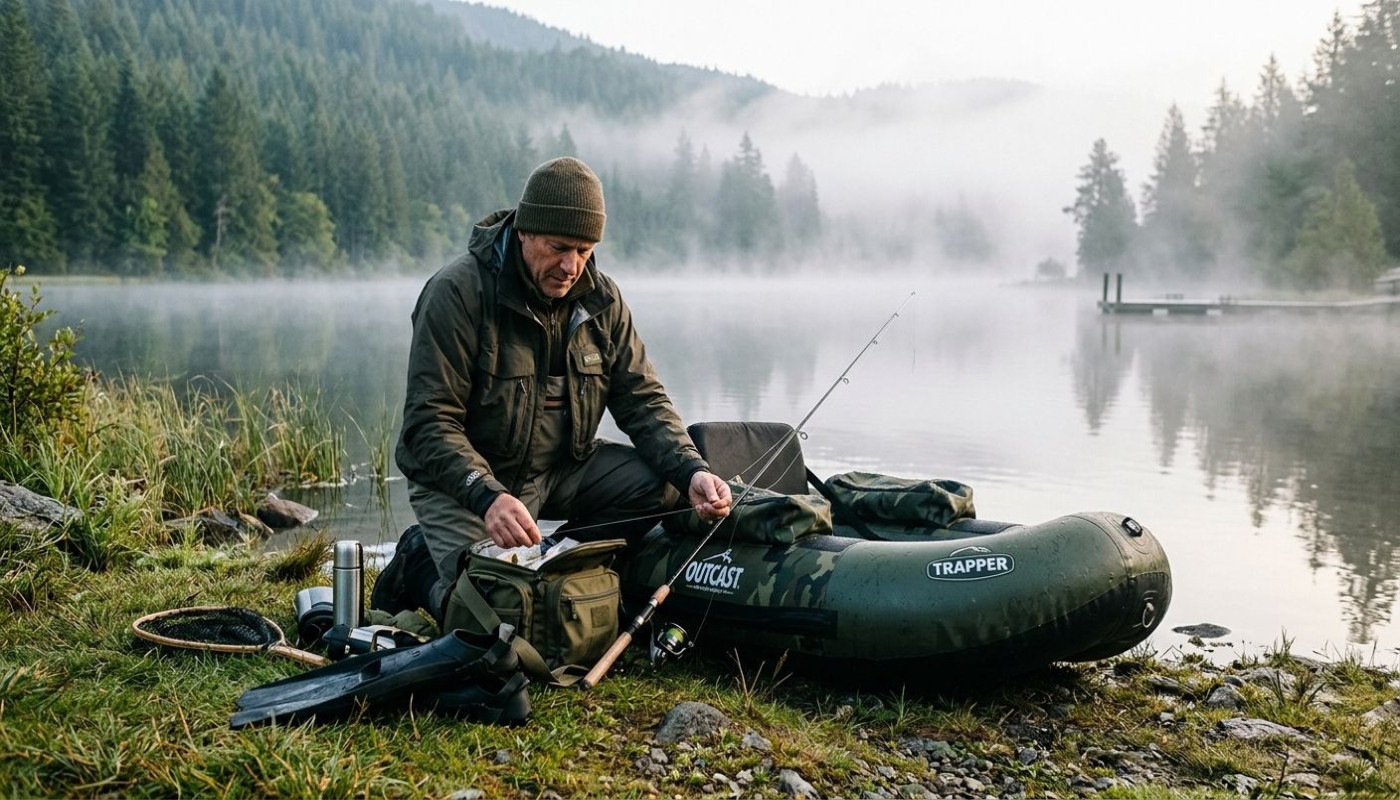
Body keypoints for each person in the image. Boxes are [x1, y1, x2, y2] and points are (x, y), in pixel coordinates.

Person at [374, 157, 732, 620]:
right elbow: (429, 422)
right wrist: (486, 495)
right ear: (525, 230)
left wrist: (692, 472)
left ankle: (555, 570)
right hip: (463, 484)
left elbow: (644, 401)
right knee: (492, 616)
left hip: (559, 470)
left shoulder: (602, 299)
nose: (572, 266)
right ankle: (417, 564)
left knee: (664, 487)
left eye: (584, 250)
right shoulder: (456, 293)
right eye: (559, 247)